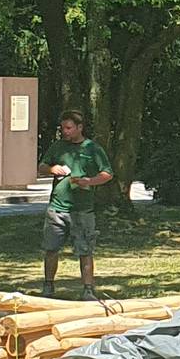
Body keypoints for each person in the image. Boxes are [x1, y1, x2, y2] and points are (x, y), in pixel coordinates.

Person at [40, 110, 114, 298]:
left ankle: (88, 289)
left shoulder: (93, 149)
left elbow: (107, 174)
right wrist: (51, 169)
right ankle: (48, 286)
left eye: (69, 128)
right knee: (51, 249)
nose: (65, 131)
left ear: (80, 128)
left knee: (85, 250)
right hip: (57, 208)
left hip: (83, 210)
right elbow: (41, 166)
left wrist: (89, 181)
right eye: (63, 128)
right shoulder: (58, 147)